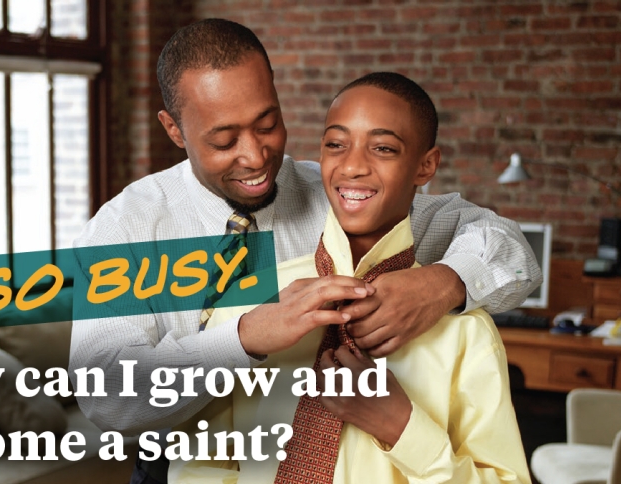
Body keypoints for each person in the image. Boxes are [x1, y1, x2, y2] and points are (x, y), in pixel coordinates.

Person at [70, 18, 539, 483]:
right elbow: (106, 396)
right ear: (174, 130)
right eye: (224, 140)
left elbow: (509, 248)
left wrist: (442, 282)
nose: (255, 157)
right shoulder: (123, 229)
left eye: (267, 124)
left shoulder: (345, 193)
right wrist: (245, 336)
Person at [168, 71, 531, 484]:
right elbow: (199, 470)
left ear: (426, 165)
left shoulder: (466, 334)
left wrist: (401, 428)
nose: (353, 166)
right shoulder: (245, 304)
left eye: (383, 148)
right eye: (336, 144)